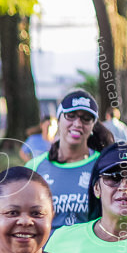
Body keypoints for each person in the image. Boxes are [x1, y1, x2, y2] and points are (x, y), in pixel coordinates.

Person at [25, 91, 113, 230]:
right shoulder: (35, 166)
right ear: (59, 120)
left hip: (87, 250)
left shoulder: (104, 166)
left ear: (92, 126)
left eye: (86, 119)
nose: (77, 124)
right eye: (70, 116)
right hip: (44, 250)